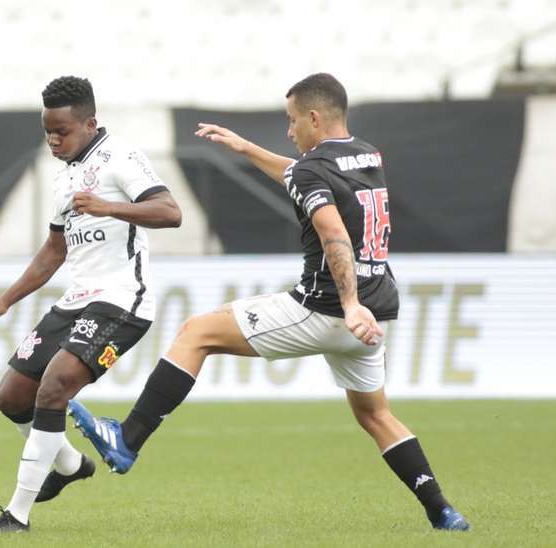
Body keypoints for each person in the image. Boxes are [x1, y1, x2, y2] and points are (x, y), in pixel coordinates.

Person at [69, 73, 469, 531]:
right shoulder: (365, 154)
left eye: (292, 120)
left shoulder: (310, 170)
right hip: (374, 315)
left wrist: (350, 303)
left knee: (196, 333)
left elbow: (333, 231)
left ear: (314, 118)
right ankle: (442, 509)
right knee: (376, 415)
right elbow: (302, 177)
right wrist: (245, 149)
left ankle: (128, 438)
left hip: (328, 309)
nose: (289, 130)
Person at [0, 75, 182, 532]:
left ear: (90, 123)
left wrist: (112, 208)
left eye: (62, 131)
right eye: (47, 131)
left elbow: (170, 212)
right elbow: (54, 251)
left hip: (124, 302)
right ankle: (70, 465)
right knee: (11, 396)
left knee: (54, 388)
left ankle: (17, 515)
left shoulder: (121, 159)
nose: (53, 139)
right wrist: (6, 301)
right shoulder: (63, 178)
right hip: (76, 302)